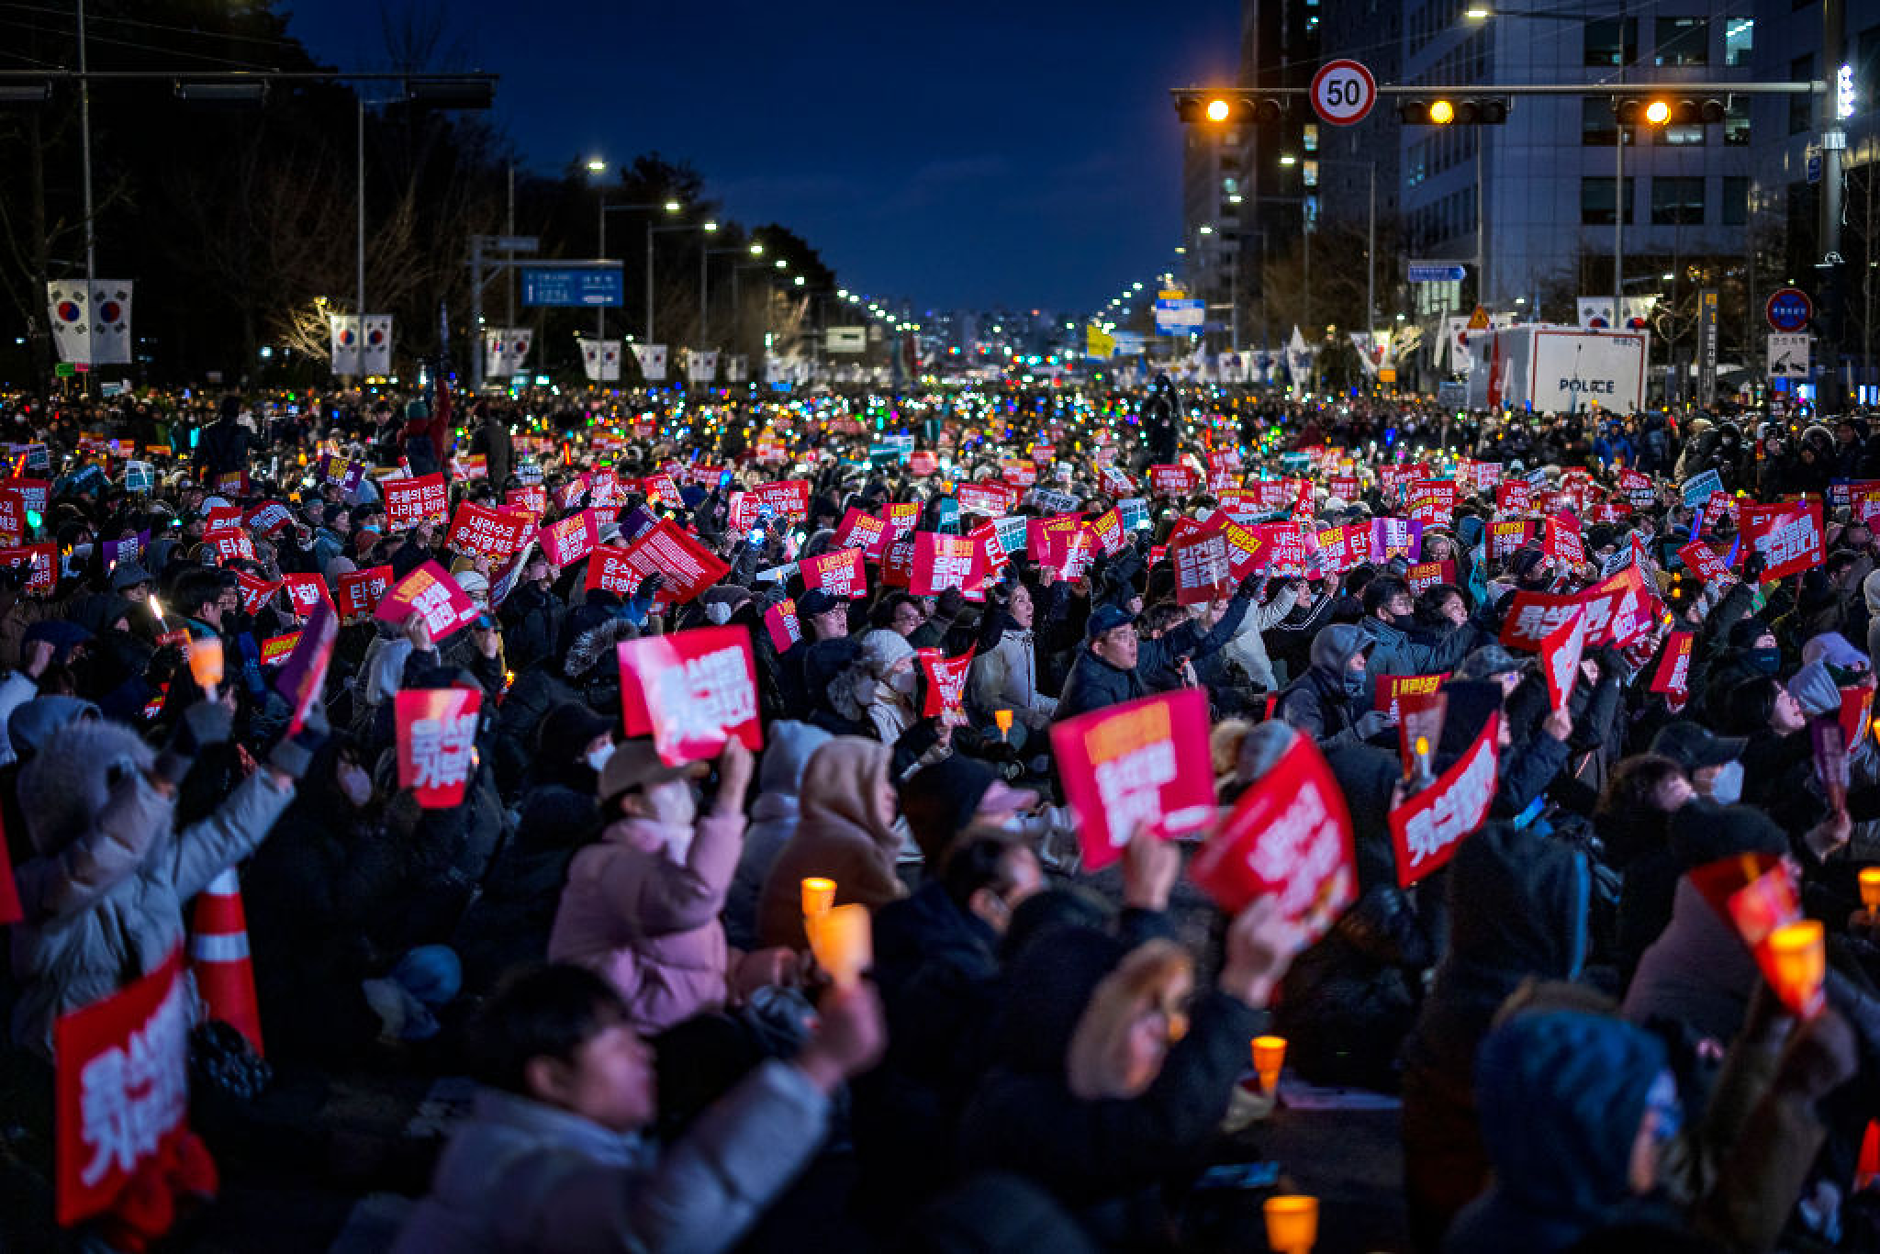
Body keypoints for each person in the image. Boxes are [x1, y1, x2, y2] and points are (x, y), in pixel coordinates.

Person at [394, 963, 886, 1254]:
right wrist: (817, 1069)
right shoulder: (527, 1176)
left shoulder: (511, 1147)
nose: (646, 1054)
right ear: (553, 1078)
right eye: (622, 1045)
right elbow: (660, 1229)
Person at [547, 737, 766, 1034]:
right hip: (633, 1034)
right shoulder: (611, 863)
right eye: (670, 783)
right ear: (633, 804)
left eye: (684, 780)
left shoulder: (670, 851)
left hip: (677, 1027)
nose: (685, 790)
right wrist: (730, 798)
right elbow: (693, 900)